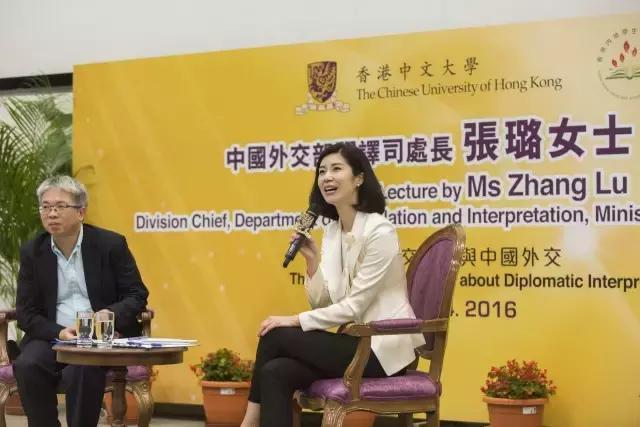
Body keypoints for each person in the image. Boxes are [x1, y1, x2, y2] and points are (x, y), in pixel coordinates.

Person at [241, 143, 425, 427]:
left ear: (359, 178)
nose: (327, 177)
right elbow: (321, 301)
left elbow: (354, 306)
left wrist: (293, 320)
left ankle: (248, 423)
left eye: (336, 169)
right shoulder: (333, 232)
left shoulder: (380, 231)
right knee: (275, 371)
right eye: (322, 171)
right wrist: (312, 261)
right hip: (356, 343)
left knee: (275, 335)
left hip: (383, 350)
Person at [14, 175, 149, 427]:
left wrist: (109, 313)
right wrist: (59, 332)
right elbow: (26, 311)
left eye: (60, 206)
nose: (51, 213)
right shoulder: (33, 251)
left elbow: (136, 294)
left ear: (81, 212)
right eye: (45, 207)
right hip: (54, 336)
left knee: (83, 368)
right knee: (27, 364)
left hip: (99, 339)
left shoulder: (110, 244)